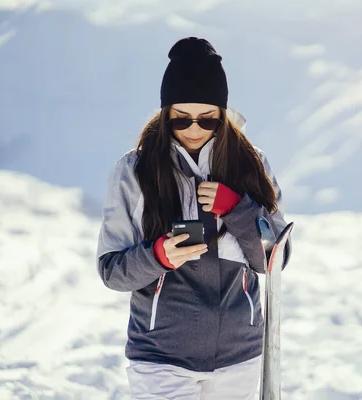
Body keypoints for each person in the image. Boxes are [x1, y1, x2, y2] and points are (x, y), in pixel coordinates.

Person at [96, 37, 292, 400]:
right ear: (165, 113)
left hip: (239, 357)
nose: (194, 129)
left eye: (207, 119)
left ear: (223, 112)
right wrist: (158, 256)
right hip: (161, 358)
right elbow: (112, 270)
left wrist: (239, 209)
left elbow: (275, 259)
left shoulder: (251, 164)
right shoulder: (134, 171)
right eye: (181, 119)